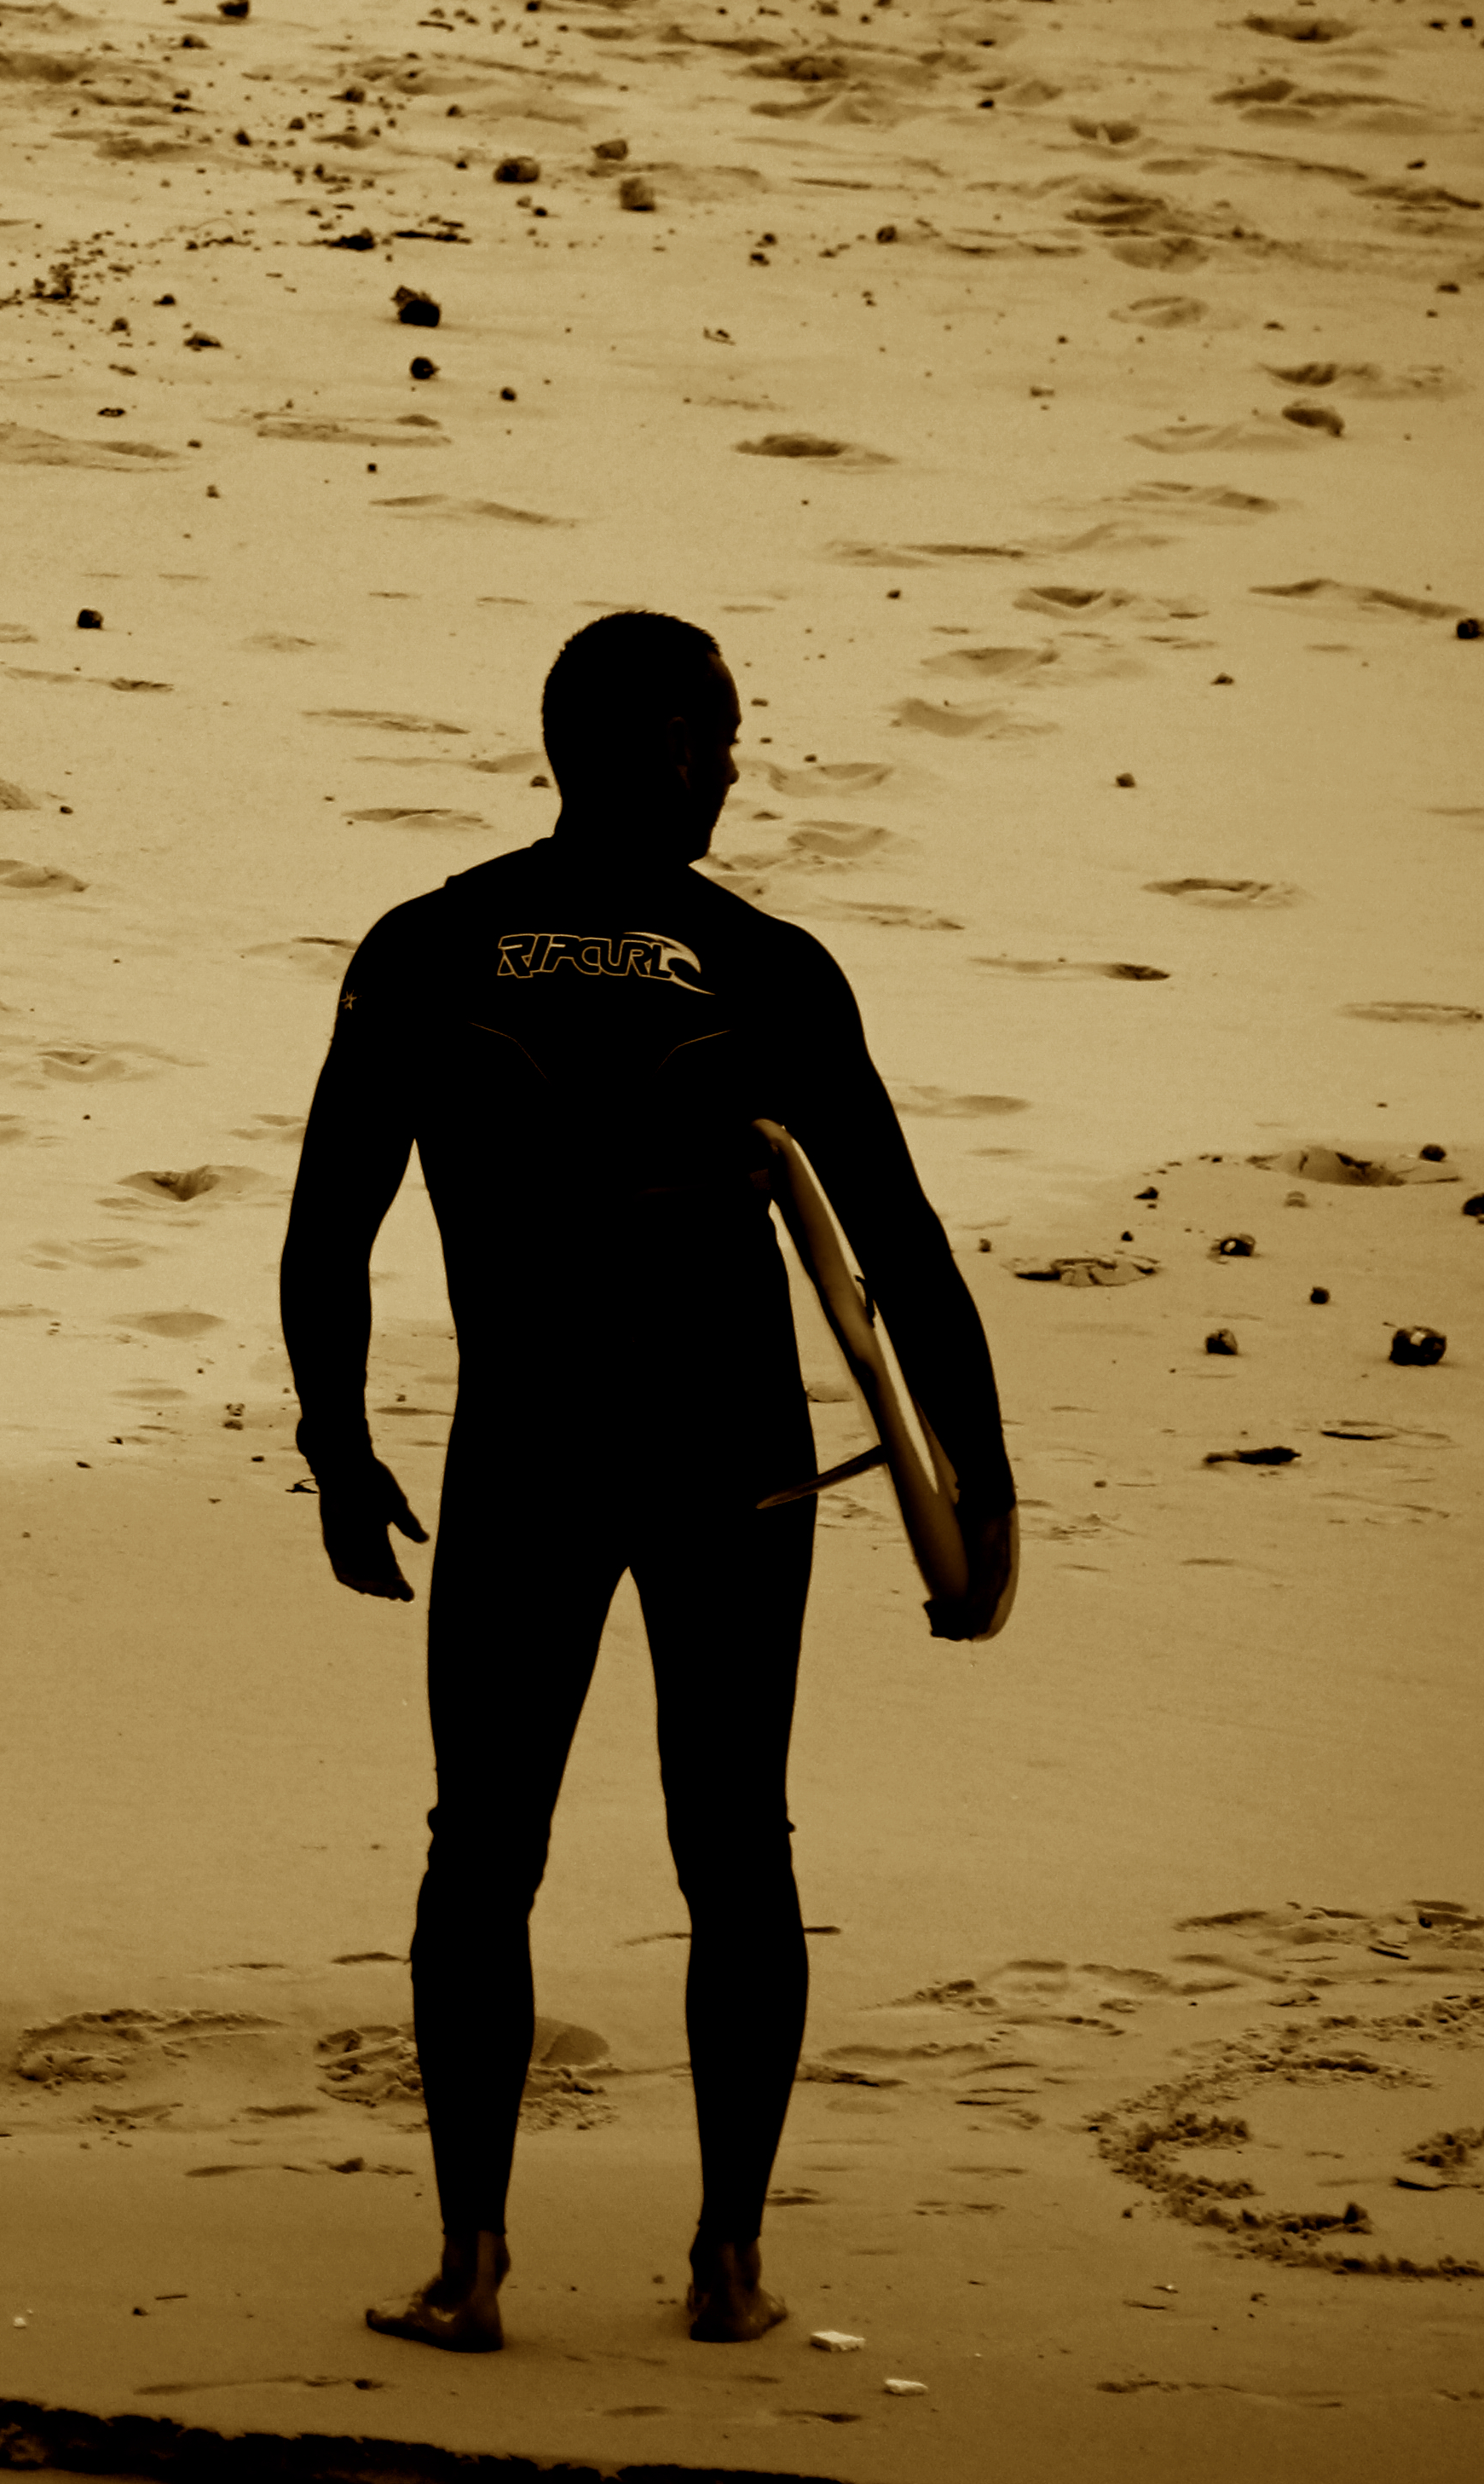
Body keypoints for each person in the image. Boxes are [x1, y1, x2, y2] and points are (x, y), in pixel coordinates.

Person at [276, 610, 1016, 2354]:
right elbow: (895, 1247)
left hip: (529, 1455)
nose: (740, 767)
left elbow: (329, 1230)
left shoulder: (431, 947)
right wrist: (977, 1479)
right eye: (732, 736)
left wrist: (336, 1442)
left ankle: (469, 2262)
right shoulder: (764, 964)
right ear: (675, 743)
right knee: (735, 1841)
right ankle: (730, 2261)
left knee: (482, 1850)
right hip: (732, 1463)